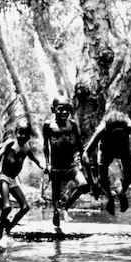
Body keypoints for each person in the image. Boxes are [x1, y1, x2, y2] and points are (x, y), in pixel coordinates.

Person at [0, 119, 45, 241]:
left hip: (12, 180)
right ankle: (1, 226)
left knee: (25, 207)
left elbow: (36, 160)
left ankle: (9, 228)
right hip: (3, 177)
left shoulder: (26, 149)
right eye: (20, 133)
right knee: (7, 206)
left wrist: (43, 167)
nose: (22, 136)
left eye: (25, 134)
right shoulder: (10, 143)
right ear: (16, 132)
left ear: (29, 136)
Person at [83, 109, 131, 215]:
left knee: (129, 176)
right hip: (106, 148)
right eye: (115, 134)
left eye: (120, 133)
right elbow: (85, 154)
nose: (117, 136)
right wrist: (92, 181)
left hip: (123, 147)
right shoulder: (102, 130)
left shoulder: (130, 127)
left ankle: (122, 193)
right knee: (102, 179)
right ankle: (110, 198)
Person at [42, 94, 90, 229]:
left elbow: (80, 144)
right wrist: (47, 164)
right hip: (56, 166)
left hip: (71, 165)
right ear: (53, 109)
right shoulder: (48, 125)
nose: (64, 112)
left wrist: (82, 159)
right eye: (60, 109)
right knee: (55, 195)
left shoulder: (72, 124)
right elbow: (46, 145)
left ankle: (66, 207)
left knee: (84, 185)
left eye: (67, 109)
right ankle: (56, 212)